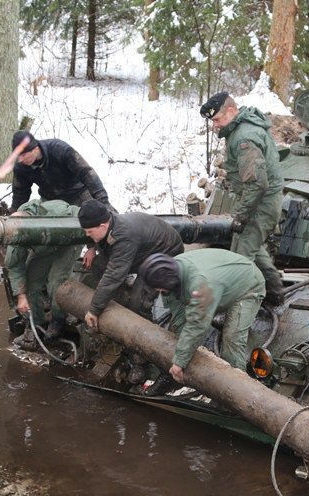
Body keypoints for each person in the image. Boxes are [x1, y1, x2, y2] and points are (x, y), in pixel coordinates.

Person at [200, 92, 285, 306]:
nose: (215, 126)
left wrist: (241, 215)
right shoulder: (242, 127)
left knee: (239, 260)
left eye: (217, 120)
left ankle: (239, 310)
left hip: (259, 203)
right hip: (259, 200)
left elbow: (257, 183)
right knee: (250, 247)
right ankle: (275, 294)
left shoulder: (243, 138)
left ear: (231, 111)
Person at [138, 249, 265, 381]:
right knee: (180, 329)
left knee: (232, 338)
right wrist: (184, 350)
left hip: (247, 285)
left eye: (158, 288)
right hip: (218, 280)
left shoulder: (200, 284)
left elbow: (197, 325)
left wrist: (179, 362)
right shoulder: (171, 271)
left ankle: (237, 383)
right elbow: (180, 316)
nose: (157, 291)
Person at [78, 199, 183, 329]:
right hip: (142, 249)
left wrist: (94, 310)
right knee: (98, 266)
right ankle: (121, 300)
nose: (87, 235)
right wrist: (92, 247)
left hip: (164, 252)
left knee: (138, 303)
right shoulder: (107, 220)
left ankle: (145, 327)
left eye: (89, 232)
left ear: (103, 226)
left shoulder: (124, 236)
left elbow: (113, 276)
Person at [5, 199, 83, 344]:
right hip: (44, 246)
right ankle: (37, 322)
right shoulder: (15, 233)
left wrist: (91, 247)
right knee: (29, 282)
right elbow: (14, 265)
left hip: (69, 240)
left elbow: (87, 220)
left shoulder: (58, 212)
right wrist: (21, 296)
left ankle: (58, 320)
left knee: (56, 281)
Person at [10, 130, 115, 213]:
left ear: (35, 149)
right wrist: (14, 213)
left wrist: (103, 201)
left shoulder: (59, 149)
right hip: (50, 200)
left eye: (23, 155)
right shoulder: (20, 167)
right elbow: (20, 193)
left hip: (79, 193)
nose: (20, 160)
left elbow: (86, 172)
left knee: (103, 219)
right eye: (18, 156)